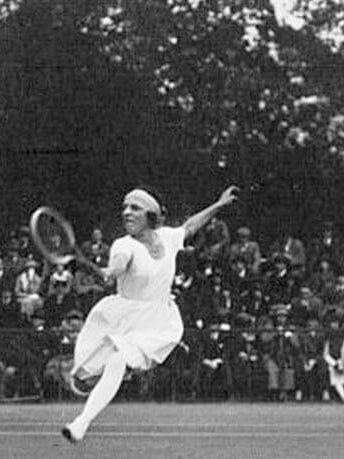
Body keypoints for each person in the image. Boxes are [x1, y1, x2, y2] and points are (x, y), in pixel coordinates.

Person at [62, 184, 238, 442]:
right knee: (114, 361)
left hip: (158, 320)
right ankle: (83, 417)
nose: (126, 212)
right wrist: (107, 272)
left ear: (151, 215)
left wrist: (219, 205)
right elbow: (116, 268)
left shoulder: (168, 237)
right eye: (124, 207)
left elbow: (190, 226)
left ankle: (82, 420)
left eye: (135, 208)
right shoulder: (123, 245)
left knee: (119, 359)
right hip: (124, 318)